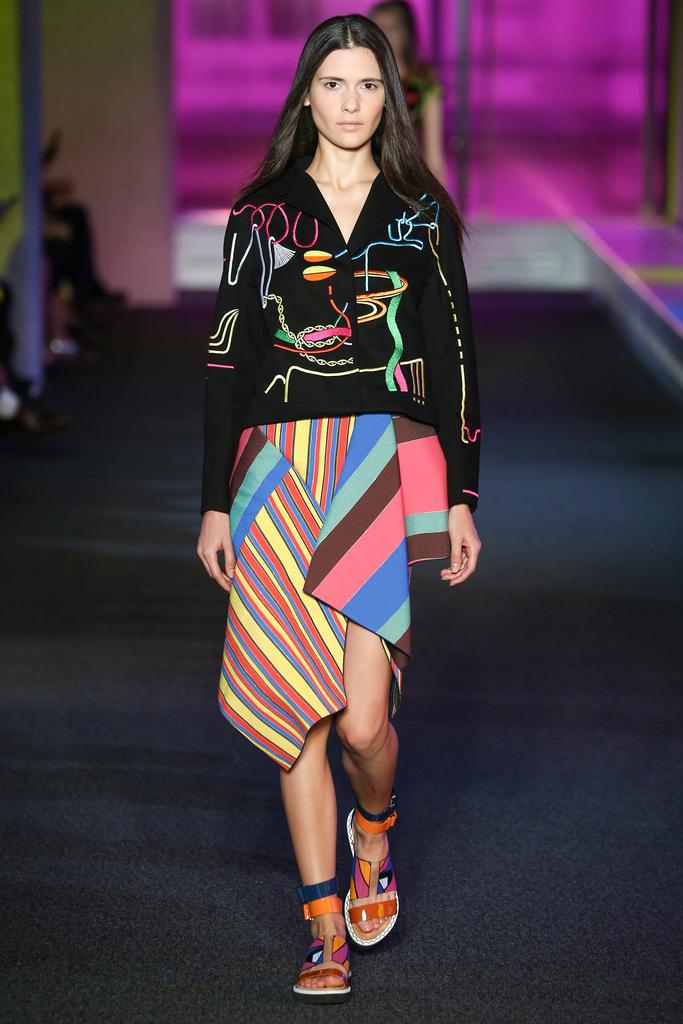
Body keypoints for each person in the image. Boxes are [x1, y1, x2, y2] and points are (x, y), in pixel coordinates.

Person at [196, 13, 482, 1004]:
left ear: (388, 96)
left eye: (367, 84)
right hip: (277, 468)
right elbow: (227, 360)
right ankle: (323, 927)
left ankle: (375, 832)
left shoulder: (420, 212)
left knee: (363, 723)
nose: (350, 102)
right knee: (297, 714)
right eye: (333, 83)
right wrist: (213, 503)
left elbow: (452, 357)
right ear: (306, 95)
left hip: (376, 468)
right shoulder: (261, 214)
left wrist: (462, 494)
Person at [369, 1, 447, 184]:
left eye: (393, 28)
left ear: (407, 32)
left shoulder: (423, 83)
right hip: (362, 176)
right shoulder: (361, 78)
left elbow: (433, 153)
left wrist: (440, 197)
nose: (385, 35)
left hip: (405, 177)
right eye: (379, 28)